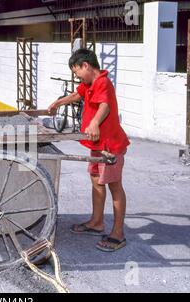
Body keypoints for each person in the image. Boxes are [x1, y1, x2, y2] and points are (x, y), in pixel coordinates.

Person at [48, 48, 130, 252]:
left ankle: (118, 234)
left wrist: (93, 123)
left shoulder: (102, 82)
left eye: (76, 71)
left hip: (109, 146)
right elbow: (77, 94)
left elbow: (105, 106)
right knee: (96, 182)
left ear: (86, 65)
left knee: (114, 186)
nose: (76, 75)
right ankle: (96, 222)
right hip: (96, 146)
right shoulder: (89, 83)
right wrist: (59, 102)